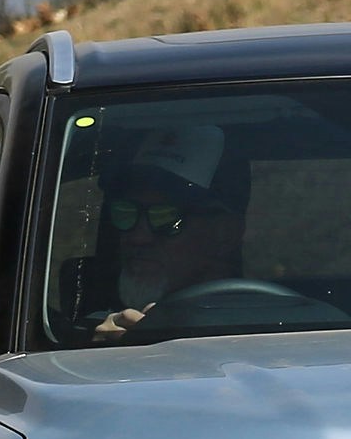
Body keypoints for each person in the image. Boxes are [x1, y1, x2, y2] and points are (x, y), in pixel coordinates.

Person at [85, 125, 245, 343]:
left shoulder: (278, 336)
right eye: (125, 213)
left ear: (225, 233)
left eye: (166, 217)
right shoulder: (99, 333)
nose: (137, 237)